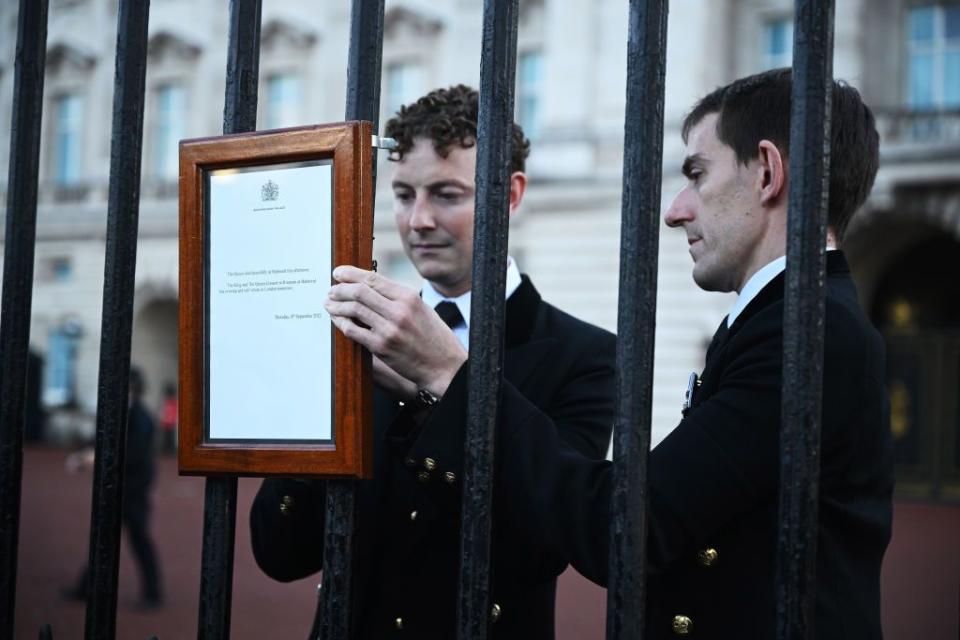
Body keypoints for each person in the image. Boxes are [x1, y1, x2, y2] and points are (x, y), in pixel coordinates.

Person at [487, 68, 894, 639]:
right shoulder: (786, 315)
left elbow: (630, 528)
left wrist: (463, 382)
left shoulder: (808, 329)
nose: (676, 210)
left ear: (769, 173)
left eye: (697, 175)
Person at [249, 85, 616, 639]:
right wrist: (306, 434)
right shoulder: (355, 334)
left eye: (446, 194)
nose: (417, 220)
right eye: (403, 194)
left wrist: (433, 394)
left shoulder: (584, 354)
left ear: (511, 195)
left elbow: (539, 553)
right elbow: (280, 556)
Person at [62, 367, 163, 609]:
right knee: (105, 536)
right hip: (117, 486)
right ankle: (87, 586)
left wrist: (97, 457)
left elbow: (135, 455)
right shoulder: (119, 411)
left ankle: (153, 594)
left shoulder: (141, 417)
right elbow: (101, 439)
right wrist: (87, 453)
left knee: (138, 539)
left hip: (134, 488)